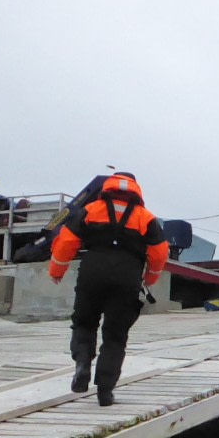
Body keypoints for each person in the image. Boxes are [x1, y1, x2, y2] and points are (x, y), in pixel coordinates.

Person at [49, 172, 169, 406]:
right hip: (127, 275)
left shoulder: (90, 210)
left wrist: (57, 270)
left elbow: (66, 241)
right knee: (115, 335)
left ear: (109, 187)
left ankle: (83, 362)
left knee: (84, 322)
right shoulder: (146, 218)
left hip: (93, 270)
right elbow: (159, 252)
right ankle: (105, 390)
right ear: (135, 190)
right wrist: (150, 279)